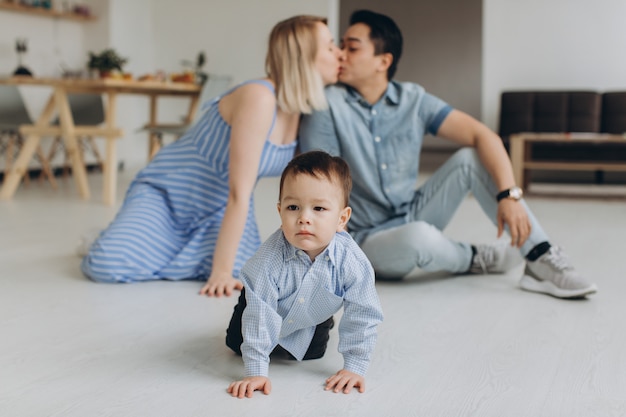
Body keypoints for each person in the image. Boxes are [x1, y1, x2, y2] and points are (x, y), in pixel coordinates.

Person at [299, 9, 597, 299]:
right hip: (366, 237)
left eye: (351, 48)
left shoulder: (412, 99)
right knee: (418, 237)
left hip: (413, 212)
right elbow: (322, 185)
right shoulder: (327, 104)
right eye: (339, 46)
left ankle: (541, 256)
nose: (340, 54)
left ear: (383, 61)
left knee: (470, 158)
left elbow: (484, 135)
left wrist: (510, 196)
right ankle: (475, 257)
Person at [80, 15, 343, 297]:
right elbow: (239, 193)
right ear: (303, 57)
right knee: (104, 265)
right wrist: (219, 272)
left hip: (219, 209)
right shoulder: (260, 97)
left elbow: (314, 189)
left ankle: (159, 249)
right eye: (330, 47)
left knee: (252, 273)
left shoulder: (305, 112)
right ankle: (126, 237)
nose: (339, 53)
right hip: (171, 195)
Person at [225, 150, 383, 398]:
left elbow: (363, 312)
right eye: (293, 207)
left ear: (342, 219)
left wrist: (354, 367)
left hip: (313, 314)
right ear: (280, 212)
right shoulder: (268, 260)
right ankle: (258, 344)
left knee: (310, 355)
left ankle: (305, 329)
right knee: (236, 343)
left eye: (319, 208)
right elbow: (259, 315)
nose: (304, 218)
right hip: (262, 303)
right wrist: (256, 371)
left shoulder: (352, 262)